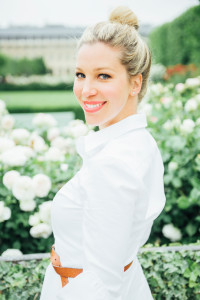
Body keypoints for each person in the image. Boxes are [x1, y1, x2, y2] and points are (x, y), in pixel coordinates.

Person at [40, 6, 166, 300]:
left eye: (104, 76)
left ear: (136, 83)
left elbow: (102, 284)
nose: (86, 90)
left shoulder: (114, 162)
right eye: (81, 74)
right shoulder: (138, 143)